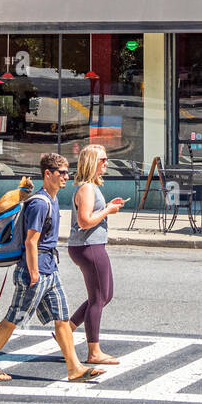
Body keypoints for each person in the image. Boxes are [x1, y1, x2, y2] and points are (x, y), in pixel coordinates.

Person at [0, 154, 104, 383]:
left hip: (50, 269)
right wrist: (33, 272)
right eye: (61, 172)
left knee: (62, 319)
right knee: (14, 318)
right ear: (48, 174)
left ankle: (74, 368)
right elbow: (31, 241)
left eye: (67, 172)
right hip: (35, 271)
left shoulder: (52, 200)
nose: (66, 177)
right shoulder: (40, 203)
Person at [68, 144, 126, 365]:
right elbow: (84, 221)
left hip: (93, 245)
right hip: (89, 246)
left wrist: (108, 206)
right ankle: (94, 352)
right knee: (98, 299)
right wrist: (108, 211)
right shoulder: (86, 188)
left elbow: (90, 215)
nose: (106, 163)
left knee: (105, 295)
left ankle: (66, 329)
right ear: (92, 161)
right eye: (103, 160)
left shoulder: (91, 187)